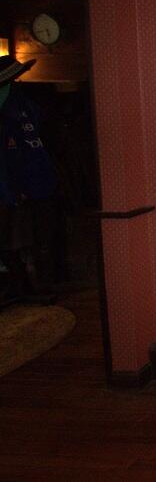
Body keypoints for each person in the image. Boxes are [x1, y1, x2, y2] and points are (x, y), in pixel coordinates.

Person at [0, 55, 59, 303]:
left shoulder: (22, 102)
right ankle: (22, 286)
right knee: (14, 239)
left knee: (29, 237)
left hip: (34, 183)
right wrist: (11, 191)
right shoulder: (9, 107)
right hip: (15, 187)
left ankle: (30, 285)